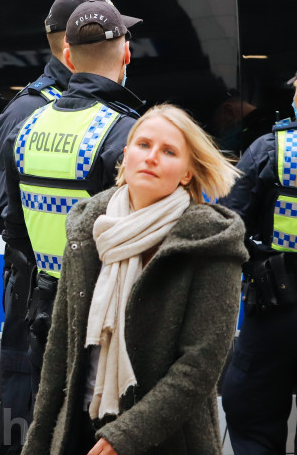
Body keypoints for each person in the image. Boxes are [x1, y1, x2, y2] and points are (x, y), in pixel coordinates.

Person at [24, 104, 246, 455]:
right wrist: (38, 442)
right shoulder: (90, 228)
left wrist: (125, 435)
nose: (152, 157)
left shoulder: (209, 242)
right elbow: (59, 351)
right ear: (126, 156)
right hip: (81, 427)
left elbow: (200, 367)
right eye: (143, 145)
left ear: (187, 173)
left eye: (169, 151)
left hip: (168, 440)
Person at [0, 0, 144, 409]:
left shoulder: (26, 129)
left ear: (67, 56)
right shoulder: (124, 133)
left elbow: (14, 229)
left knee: (50, 429)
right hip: (106, 317)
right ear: (126, 53)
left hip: (46, 310)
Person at [0, 0, 109, 452]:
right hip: (35, 289)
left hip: (78, 293)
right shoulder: (30, 108)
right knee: (27, 413)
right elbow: (4, 213)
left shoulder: (93, 107)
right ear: (68, 46)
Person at [219, 70, 297, 455]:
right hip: (275, 302)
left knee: (252, 415)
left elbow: (229, 224)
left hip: (275, 306)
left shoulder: (272, 149)